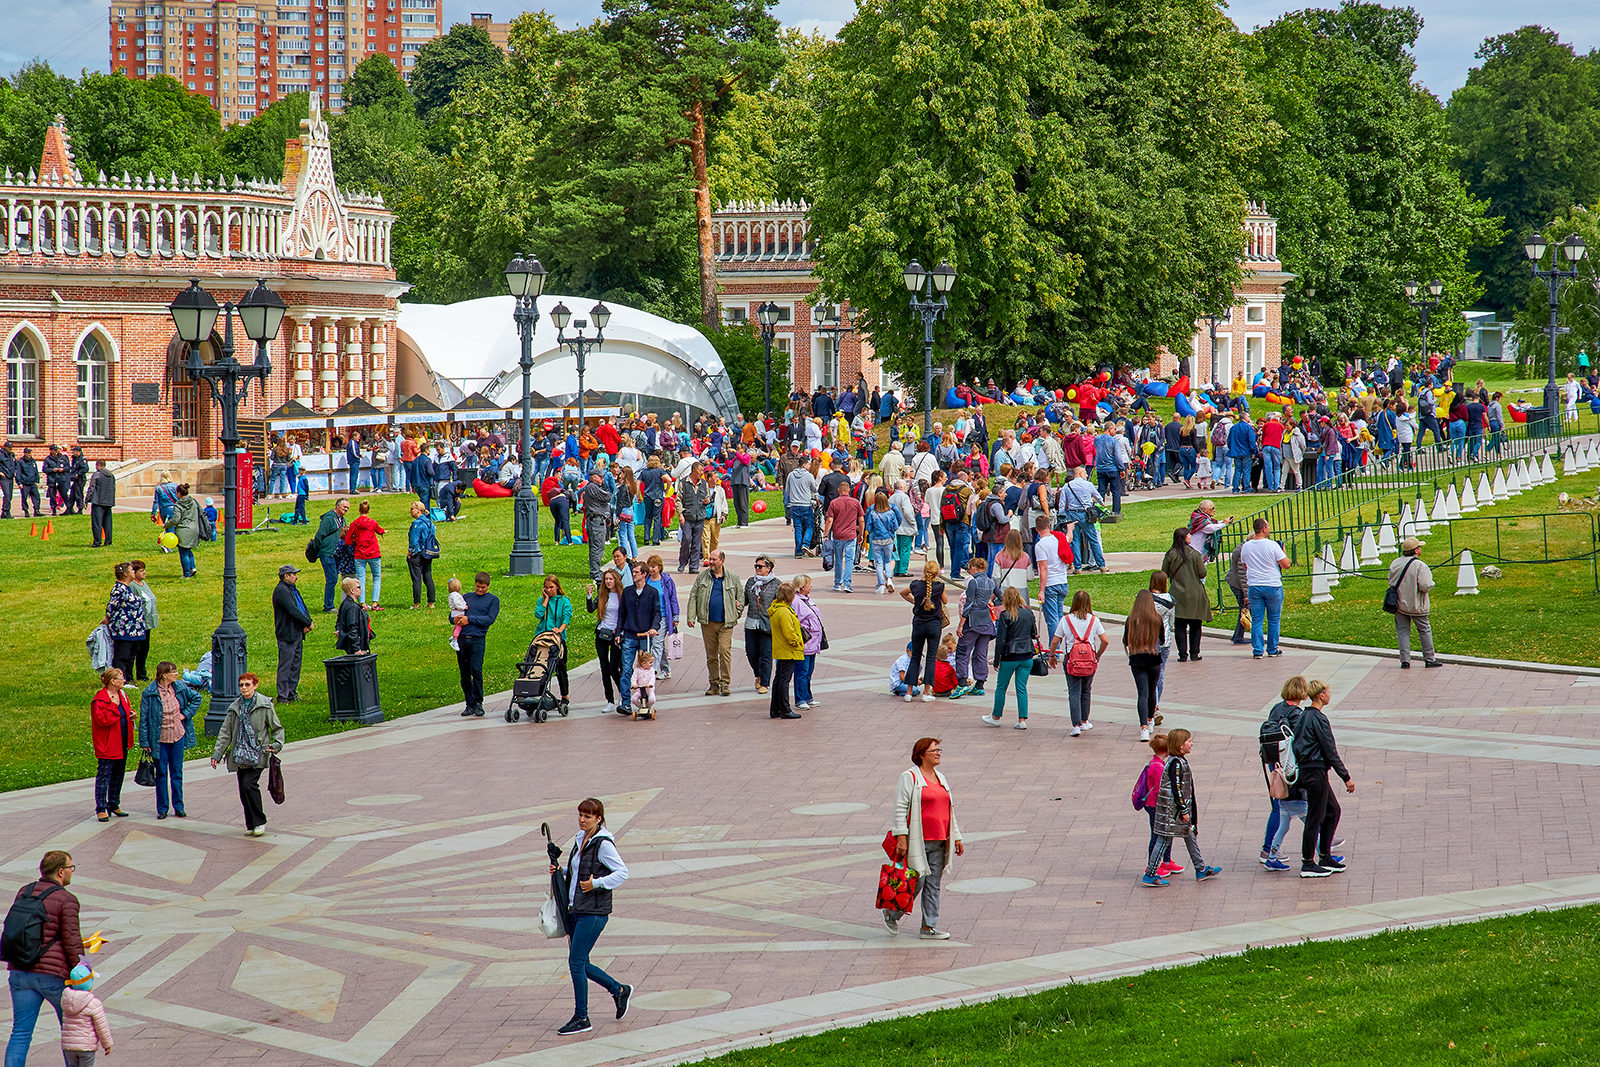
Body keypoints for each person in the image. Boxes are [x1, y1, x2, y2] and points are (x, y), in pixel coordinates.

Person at [550, 798, 632, 1036]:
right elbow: (577, 872)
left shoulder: (603, 844)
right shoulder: (580, 840)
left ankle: (582, 1017)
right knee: (581, 962)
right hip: (576, 909)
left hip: (593, 913)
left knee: (575, 962)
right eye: (580, 815)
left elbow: (622, 873)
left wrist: (596, 883)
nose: (582, 820)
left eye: (587, 816)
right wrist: (562, 871)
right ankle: (619, 990)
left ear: (599, 819)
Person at [5, 850, 83, 1067]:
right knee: (70, 1031)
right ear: (60, 872)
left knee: (20, 1032)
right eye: (70, 868)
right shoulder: (67, 899)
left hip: (20, 971)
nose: (71, 872)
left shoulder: (25, 891)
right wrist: (81, 972)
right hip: (53, 976)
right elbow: (71, 939)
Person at [886, 738, 964, 939]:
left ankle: (928, 927)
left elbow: (949, 809)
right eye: (933, 751)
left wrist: (955, 836)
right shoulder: (909, 777)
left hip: (940, 841)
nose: (938, 753)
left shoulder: (941, 777)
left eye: (939, 750)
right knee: (916, 881)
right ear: (921, 754)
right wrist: (901, 837)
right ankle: (892, 912)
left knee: (933, 884)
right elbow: (900, 809)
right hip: (917, 842)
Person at [1140, 728, 1221, 887]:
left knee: (1189, 835)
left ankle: (1200, 868)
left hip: (1175, 809)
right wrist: (1184, 810)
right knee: (1163, 839)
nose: (1192, 744)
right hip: (1173, 811)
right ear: (1180, 745)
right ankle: (1150, 874)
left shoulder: (1177, 761)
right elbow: (1177, 789)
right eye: (1189, 741)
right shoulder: (1176, 763)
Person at [1293, 678, 1355, 878]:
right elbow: (1330, 750)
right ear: (1321, 695)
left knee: (1332, 811)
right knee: (1315, 817)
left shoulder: (1304, 716)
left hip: (1310, 770)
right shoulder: (1318, 718)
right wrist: (1345, 776)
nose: (1330, 695)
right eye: (1328, 692)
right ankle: (1308, 863)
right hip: (1315, 772)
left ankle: (1325, 855)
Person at [211, 672, 284, 837]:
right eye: (241, 685)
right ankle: (250, 823)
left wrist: (277, 744)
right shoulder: (235, 707)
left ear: (255, 685)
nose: (244, 688)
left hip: (258, 753)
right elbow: (226, 732)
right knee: (243, 789)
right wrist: (217, 754)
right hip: (239, 754)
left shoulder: (265, 705)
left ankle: (259, 821)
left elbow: (277, 727)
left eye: (247, 684)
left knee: (248, 784)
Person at [1258, 674, 1311, 873]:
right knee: (1287, 807)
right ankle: (1322, 841)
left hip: (1273, 763)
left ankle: (1268, 850)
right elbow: (1299, 741)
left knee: (1279, 806)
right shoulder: (1296, 713)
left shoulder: (1277, 707)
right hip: (1288, 765)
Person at [137, 661, 202, 820]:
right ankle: (162, 808)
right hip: (159, 739)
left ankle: (179, 806)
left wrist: (185, 714)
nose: (177, 674)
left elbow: (197, 698)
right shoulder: (150, 692)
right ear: (165, 674)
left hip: (178, 735)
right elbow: (144, 719)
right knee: (161, 773)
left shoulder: (179, 687)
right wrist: (145, 742)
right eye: (174, 671)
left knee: (177, 773)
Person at [687, 550, 745, 697]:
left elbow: (741, 599)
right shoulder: (702, 576)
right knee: (711, 655)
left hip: (726, 623)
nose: (711, 562)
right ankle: (714, 684)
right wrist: (691, 617)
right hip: (708, 622)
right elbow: (693, 596)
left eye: (714, 559)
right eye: (710, 559)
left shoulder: (733, 578)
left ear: (722, 561)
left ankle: (725, 683)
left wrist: (736, 613)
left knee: (724, 651)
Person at [1049, 590, 1106, 736]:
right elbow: (1105, 640)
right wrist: (1098, 654)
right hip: (1089, 659)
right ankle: (1085, 721)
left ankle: (1075, 725)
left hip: (1071, 659)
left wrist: (1052, 655)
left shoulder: (1066, 620)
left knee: (1074, 691)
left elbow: (1056, 640)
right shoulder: (1094, 620)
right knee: (1086, 690)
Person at [982, 586, 1037, 729]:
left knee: (1001, 687)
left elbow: (1001, 640)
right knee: (1021, 688)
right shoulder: (1028, 613)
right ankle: (1022, 720)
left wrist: (996, 659)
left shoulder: (1006, 615)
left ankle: (996, 716)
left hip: (1010, 656)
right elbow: (1033, 634)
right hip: (1027, 655)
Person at [617, 562, 662, 718]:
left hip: (645, 636)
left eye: (637, 572)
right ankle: (625, 702)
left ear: (644, 574)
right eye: (633, 572)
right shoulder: (627, 592)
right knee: (626, 669)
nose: (634, 574)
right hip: (629, 634)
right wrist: (618, 632)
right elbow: (621, 613)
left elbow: (657, 612)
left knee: (645, 669)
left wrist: (654, 627)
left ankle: (645, 700)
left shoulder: (652, 592)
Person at [1389, 535, 1442, 669]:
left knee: (1402, 632)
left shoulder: (1395, 563)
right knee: (1424, 630)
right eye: (1419, 547)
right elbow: (1426, 585)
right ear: (1416, 550)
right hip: (1417, 604)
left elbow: (1391, 581)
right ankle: (1429, 659)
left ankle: (1405, 660)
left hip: (1399, 604)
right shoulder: (1420, 565)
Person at [1240, 517, 1290, 658]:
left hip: (1254, 585)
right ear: (1263, 529)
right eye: (1268, 527)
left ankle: (1257, 650)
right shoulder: (1272, 545)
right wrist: (1284, 552)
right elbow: (1286, 564)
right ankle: (1272, 648)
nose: (1269, 529)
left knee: (1257, 619)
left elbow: (1245, 565)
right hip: (1272, 584)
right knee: (1273, 619)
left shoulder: (1247, 546)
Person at [898, 560, 947, 704]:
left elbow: (903, 592)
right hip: (934, 624)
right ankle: (926, 692)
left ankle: (908, 691)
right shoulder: (940, 586)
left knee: (915, 657)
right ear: (937, 572)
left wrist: (916, 602)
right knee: (931, 658)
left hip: (919, 623)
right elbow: (945, 600)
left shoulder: (915, 584)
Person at [453, 572, 501, 717]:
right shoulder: (467, 597)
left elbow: (489, 619)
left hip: (477, 639)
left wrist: (470, 619)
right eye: (478, 587)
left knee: (476, 670)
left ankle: (479, 702)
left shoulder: (493, 600)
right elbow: (454, 612)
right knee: (464, 674)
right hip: (462, 638)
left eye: (483, 587)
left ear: (488, 586)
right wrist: (455, 619)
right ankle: (469, 704)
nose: (480, 590)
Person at [1161, 528, 1211, 662]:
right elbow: (1202, 573)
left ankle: (1182, 655)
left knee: (1180, 625)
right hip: (1195, 593)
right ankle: (1195, 653)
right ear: (1184, 538)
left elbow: (1164, 573)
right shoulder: (1194, 554)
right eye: (1189, 535)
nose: (1191, 537)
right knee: (1196, 625)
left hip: (1177, 594)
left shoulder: (1170, 554)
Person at [89, 668, 133, 822]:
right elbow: (102, 720)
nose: (124, 680)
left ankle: (114, 803)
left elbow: (124, 713)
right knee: (104, 775)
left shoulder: (123, 695)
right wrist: (114, 707)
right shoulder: (100, 699)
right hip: (107, 744)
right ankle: (101, 808)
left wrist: (130, 714)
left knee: (118, 774)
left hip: (121, 741)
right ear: (113, 681)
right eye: (121, 677)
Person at [1137, 732, 1180, 878]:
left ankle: (1166, 861)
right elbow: (1162, 789)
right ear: (1167, 750)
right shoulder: (1158, 768)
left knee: (1167, 834)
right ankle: (1152, 864)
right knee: (1157, 835)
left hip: (1156, 805)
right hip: (1156, 806)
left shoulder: (1157, 763)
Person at [953, 556, 997, 696]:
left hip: (973, 621)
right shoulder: (991, 582)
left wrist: (961, 625)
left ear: (973, 568)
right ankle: (979, 684)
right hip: (986, 623)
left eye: (969, 568)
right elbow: (1000, 596)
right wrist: (990, 603)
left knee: (963, 652)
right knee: (981, 654)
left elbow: (969, 604)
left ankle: (962, 682)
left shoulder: (974, 582)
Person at [1123, 590, 1163, 741]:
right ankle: (1150, 719)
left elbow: (1126, 641)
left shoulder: (1131, 620)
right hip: (1153, 658)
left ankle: (1143, 728)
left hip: (1137, 659)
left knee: (1142, 693)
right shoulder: (1156, 619)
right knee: (1152, 691)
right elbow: (1163, 640)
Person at [272, 564, 314, 702]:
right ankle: (283, 695)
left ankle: (291, 692)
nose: (296, 577)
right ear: (286, 576)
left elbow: (301, 607)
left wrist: (307, 621)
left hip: (296, 632)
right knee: (286, 665)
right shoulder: (281, 591)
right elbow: (292, 610)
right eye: (294, 574)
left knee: (295, 664)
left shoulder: (292, 589)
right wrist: (307, 623)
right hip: (287, 633)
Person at [59, 961, 113, 1066]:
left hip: (69, 1046)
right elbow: (102, 1026)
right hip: (86, 1046)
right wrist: (107, 1044)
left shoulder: (65, 1000)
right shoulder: (93, 1003)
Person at [586, 570, 626, 711]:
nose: (608, 581)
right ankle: (610, 700)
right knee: (604, 668)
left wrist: (620, 630)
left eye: (611, 579)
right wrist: (589, 596)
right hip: (602, 634)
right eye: (606, 579)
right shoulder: (603, 595)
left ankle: (623, 694)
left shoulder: (623, 595)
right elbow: (591, 609)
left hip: (616, 635)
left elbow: (626, 615)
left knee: (614, 668)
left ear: (616, 580)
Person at [103, 562, 147, 684]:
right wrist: (107, 618)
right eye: (132, 570)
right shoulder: (119, 589)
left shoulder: (128, 588)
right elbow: (111, 606)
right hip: (124, 630)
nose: (134, 572)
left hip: (134, 630)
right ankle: (118, 679)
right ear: (126, 574)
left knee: (130, 655)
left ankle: (128, 678)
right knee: (122, 655)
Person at [534, 576, 573, 713]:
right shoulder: (542, 600)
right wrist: (545, 600)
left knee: (560, 668)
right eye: (547, 588)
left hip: (557, 638)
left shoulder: (563, 601)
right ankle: (538, 692)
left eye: (551, 587)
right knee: (540, 666)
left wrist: (560, 630)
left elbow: (566, 617)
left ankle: (565, 695)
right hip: (543, 638)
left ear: (557, 586)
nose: (549, 590)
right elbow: (538, 614)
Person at [743, 555, 781, 693]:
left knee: (766, 653)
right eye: (756, 566)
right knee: (751, 652)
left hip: (768, 624)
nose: (757, 569)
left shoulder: (776, 583)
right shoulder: (750, 582)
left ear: (769, 568)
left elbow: (780, 603)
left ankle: (765, 683)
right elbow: (745, 600)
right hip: (751, 622)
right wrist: (737, 603)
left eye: (760, 566)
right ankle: (758, 675)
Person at [767, 582, 805, 719]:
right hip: (788, 650)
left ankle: (775, 708)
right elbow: (789, 633)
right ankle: (784, 709)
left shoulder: (777, 608)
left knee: (779, 679)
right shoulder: (784, 611)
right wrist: (798, 642)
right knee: (784, 680)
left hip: (781, 649)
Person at [342, 500, 385, 611]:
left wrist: (355, 539)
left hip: (360, 554)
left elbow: (347, 541)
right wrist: (383, 532)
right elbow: (379, 530)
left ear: (359, 510)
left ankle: (362, 604)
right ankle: (375, 603)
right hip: (373, 553)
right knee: (377, 577)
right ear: (368, 510)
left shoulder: (354, 524)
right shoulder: (373, 522)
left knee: (360, 579)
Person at [823, 477, 863, 591]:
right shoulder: (855, 502)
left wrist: (826, 534)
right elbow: (861, 519)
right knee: (850, 559)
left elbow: (829, 520)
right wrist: (861, 533)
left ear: (839, 490)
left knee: (838, 559)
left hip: (838, 535)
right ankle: (847, 584)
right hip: (851, 535)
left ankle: (837, 583)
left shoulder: (834, 503)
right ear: (849, 490)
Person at [313, 498, 351, 612]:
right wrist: (317, 550)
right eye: (344, 507)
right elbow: (319, 536)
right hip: (327, 553)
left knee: (333, 578)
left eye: (348, 508)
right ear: (337, 506)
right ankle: (328, 606)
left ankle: (332, 604)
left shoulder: (341, 519)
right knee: (332, 579)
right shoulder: (329, 518)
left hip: (336, 553)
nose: (346, 509)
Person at [792, 574, 823, 710]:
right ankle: (800, 699)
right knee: (802, 672)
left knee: (808, 671)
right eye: (809, 584)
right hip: (805, 643)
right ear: (802, 587)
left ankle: (808, 696)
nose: (811, 587)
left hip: (813, 643)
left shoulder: (807, 600)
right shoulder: (796, 601)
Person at [676, 463, 709, 573]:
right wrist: (680, 514)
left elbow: (707, 497)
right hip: (687, 517)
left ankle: (693, 566)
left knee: (696, 543)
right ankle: (683, 562)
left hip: (700, 517)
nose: (702, 473)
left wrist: (707, 501)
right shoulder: (684, 483)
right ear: (694, 470)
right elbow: (678, 500)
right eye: (700, 470)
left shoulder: (704, 483)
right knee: (686, 540)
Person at [865, 489, 899, 594]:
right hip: (888, 539)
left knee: (879, 563)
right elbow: (896, 526)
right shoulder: (891, 513)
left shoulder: (872, 513)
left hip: (876, 540)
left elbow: (869, 528)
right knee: (888, 561)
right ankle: (889, 579)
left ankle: (880, 584)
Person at [166, 483, 202, 578]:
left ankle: (186, 574)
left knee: (183, 552)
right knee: (188, 549)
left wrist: (167, 525)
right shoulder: (194, 502)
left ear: (178, 493)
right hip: (194, 529)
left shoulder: (178, 505)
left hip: (183, 530)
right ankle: (192, 567)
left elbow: (176, 519)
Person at [334, 577, 372, 655]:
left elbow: (339, 621)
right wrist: (356, 649)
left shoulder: (345, 603)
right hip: (355, 646)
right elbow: (353, 627)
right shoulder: (352, 607)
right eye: (358, 587)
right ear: (352, 590)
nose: (360, 590)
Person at [87, 461, 115, 547]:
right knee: (108, 523)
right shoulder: (111, 475)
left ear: (98, 465)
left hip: (98, 501)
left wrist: (87, 499)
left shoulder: (97, 474)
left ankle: (97, 542)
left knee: (97, 523)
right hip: (108, 501)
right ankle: (108, 541)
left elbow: (92, 488)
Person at [629, 649, 658, 719]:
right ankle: (641, 707)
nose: (652, 664)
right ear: (644, 663)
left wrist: (650, 684)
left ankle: (648, 707)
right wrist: (634, 684)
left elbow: (652, 678)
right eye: (650, 662)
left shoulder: (651, 670)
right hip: (640, 690)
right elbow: (634, 678)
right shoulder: (637, 670)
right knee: (633, 699)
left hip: (649, 689)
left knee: (652, 699)